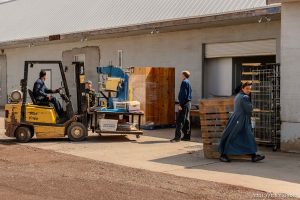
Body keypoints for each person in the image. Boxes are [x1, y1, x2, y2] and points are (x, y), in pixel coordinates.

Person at [218, 82, 265, 162]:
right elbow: (249, 109)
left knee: (243, 136)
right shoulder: (244, 97)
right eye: (247, 88)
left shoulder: (238, 96)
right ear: (242, 88)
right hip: (240, 119)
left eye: (250, 89)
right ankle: (223, 155)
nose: (249, 90)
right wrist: (251, 106)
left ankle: (253, 156)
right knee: (235, 136)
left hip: (237, 118)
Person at [171, 71, 192, 142]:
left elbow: (183, 94)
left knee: (179, 121)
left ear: (183, 75)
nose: (180, 76)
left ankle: (177, 137)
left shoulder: (184, 82)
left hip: (184, 103)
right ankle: (187, 137)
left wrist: (180, 104)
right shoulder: (188, 82)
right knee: (186, 120)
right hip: (188, 103)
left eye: (181, 74)